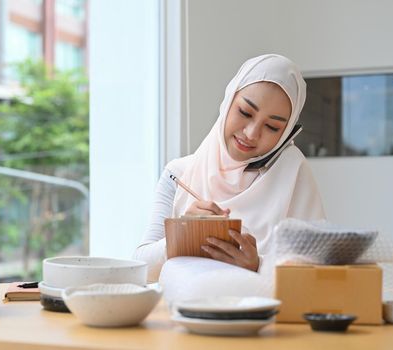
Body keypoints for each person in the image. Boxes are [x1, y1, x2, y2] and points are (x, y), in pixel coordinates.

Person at [133, 54, 326, 286]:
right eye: (245, 112)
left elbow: (318, 275)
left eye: (272, 127)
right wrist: (182, 235)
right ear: (228, 101)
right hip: (183, 316)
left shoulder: (292, 173)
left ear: (285, 133)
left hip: (262, 319)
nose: (251, 133)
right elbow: (140, 270)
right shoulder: (179, 174)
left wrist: (258, 266)